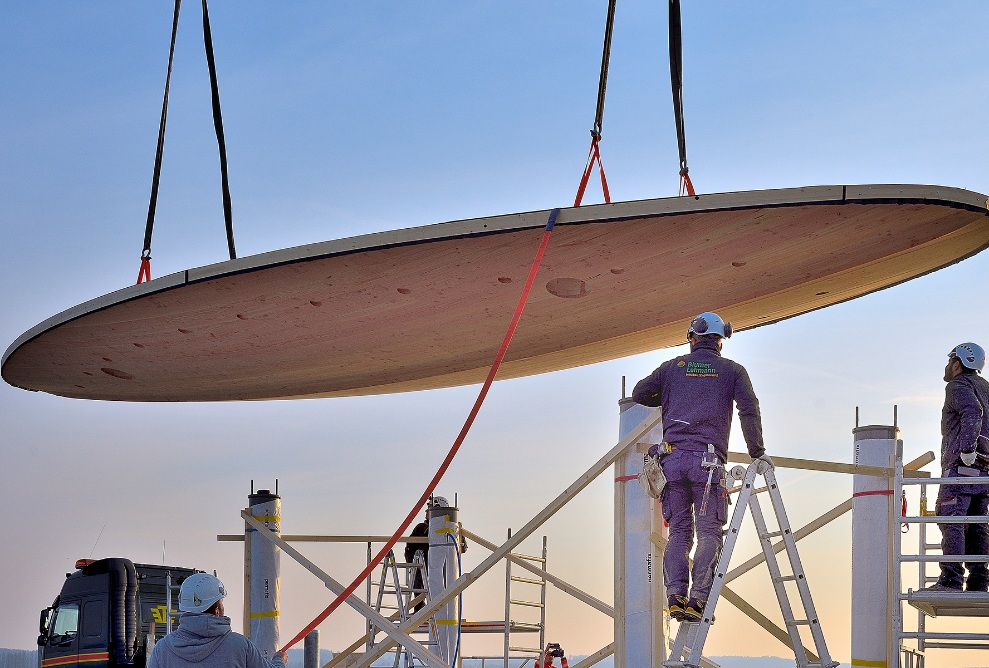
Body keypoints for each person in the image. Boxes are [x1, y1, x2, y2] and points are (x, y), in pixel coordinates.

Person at [632, 311, 772, 622]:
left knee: (680, 532)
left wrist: (671, 396)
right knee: (709, 532)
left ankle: (676, 596)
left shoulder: (673, 368)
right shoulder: (732, 370)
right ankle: (697, 601)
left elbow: (639, 393)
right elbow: (749, 408)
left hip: (672, 461)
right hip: (707, 465)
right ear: (721, 342)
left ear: (692, 338)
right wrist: (757, 451)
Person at [923, 342, 989, 593]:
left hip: (962, 467)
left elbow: (973, 411)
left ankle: (950, 580)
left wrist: (967, 449)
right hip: (984, 471)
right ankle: (979, 580)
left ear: (957, 363)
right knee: (978, 524)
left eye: (949, 360)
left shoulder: (958, 385)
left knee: (951, 518)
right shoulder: (986, 388)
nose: (947, 366)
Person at [147, 573, 285, 668]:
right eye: (221, 602)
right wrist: (279, 660)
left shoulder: (163, 649)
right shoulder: (239, 646)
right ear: (217, 611)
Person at [403, 496, 467, 613]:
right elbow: (409, 548)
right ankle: (420, 610)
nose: (426, 511)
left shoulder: (453, 528)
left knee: (445, 593)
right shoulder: (422, 528)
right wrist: (412, 563)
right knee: (421, 585)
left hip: (445, 569)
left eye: (429, 508)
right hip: (424, 567)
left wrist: (458, 532)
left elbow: (463, 548)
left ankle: (444, 611)